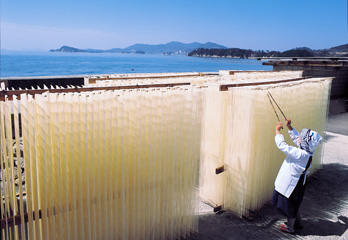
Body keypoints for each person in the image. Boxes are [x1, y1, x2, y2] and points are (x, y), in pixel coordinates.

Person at [271, 119, 323, 234]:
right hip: (299, 183)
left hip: (293, 184)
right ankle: (297, 223)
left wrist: (277, 131)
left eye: (301, 137)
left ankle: (290, 227)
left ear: (305, 143)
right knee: (295, 203)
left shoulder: (300, 154)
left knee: (290, 205)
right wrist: (289, 127)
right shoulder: (308, 151)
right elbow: (297, 139)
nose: (298, 137)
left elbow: (283, 146)